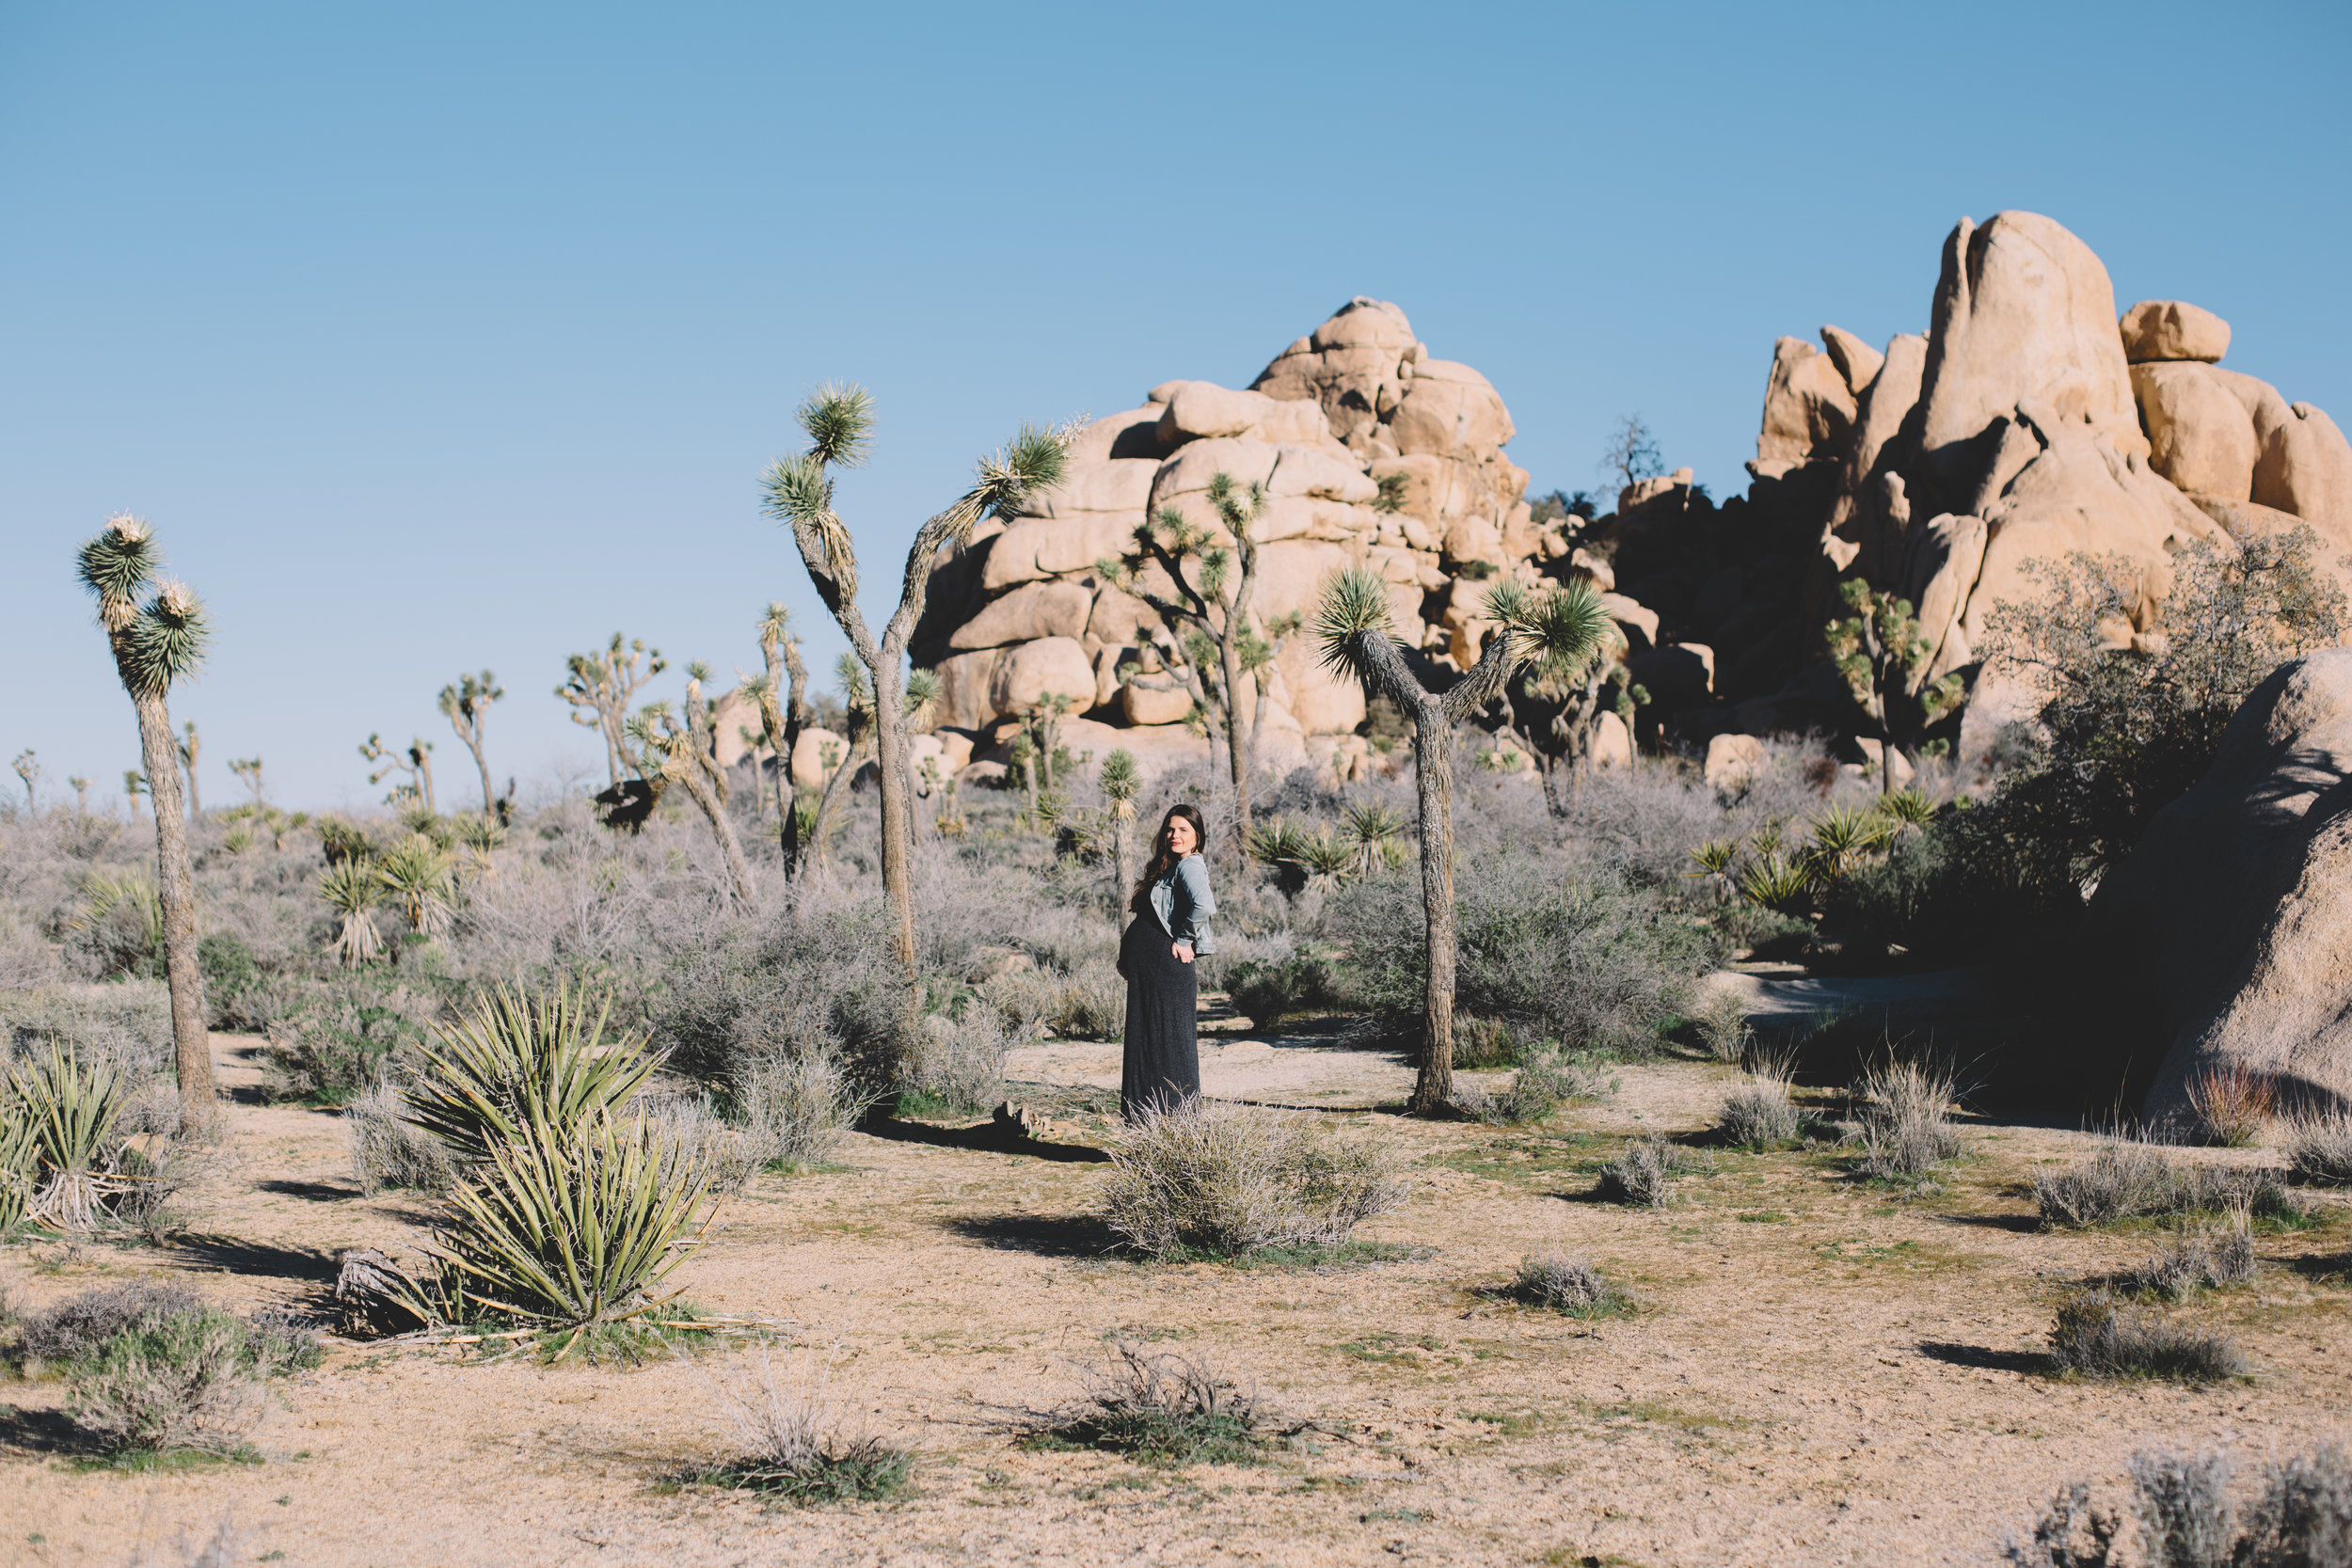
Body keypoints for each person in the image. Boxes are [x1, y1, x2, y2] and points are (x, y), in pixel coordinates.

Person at [1117, 803, 1216, 1123]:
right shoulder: (1169, 866)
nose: (1175, 836)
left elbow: (1204, 905)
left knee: (1169, 1043)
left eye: (1184, 830)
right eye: (1171, 829)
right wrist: (1128, 956)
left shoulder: (1190, 865)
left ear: (1197, 837)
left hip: (1165, 967)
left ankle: (1177, 1127)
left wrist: (1185, 939)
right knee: (1149, 1040)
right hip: (1150, 968)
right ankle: (1150, 1125)